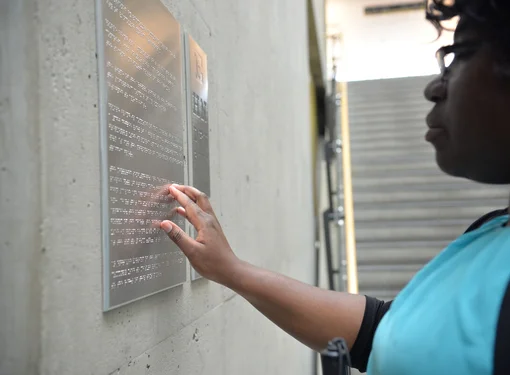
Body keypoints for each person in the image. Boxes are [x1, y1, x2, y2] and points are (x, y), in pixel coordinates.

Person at [160, 0, 510, 373]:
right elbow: (381, 332)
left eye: (462, 54)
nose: (434, 87)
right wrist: (231, 270)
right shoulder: (491, 232)